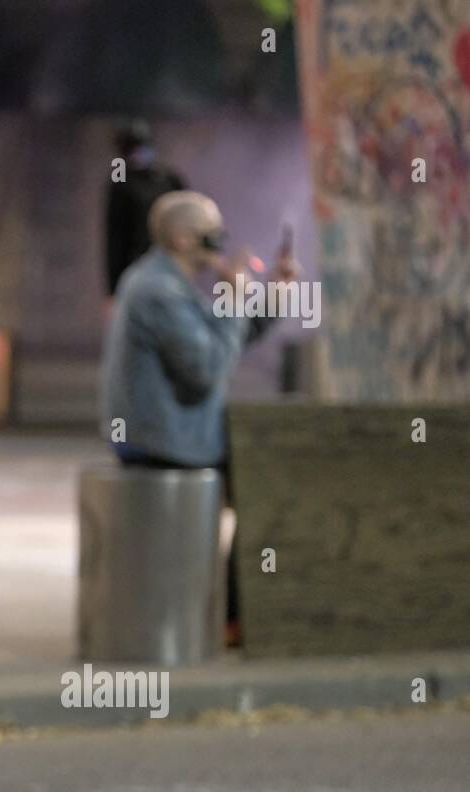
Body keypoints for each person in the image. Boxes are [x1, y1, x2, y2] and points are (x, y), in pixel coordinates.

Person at [99, 190, 294, 642]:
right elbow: (208, 368)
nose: (222, 240)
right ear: (185, 237)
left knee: (262, 484)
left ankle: (231, 616)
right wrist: (232, 294)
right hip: (166, 440)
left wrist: (271, 296)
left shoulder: (166, 282)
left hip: (176, 433)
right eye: (213, 231)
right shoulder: (158, 290)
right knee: (265, 490)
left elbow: (224, 335)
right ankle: (233, 617)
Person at [105, 119, 186, 297]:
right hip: (139, 266)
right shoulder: (122, 183)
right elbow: (115, 239)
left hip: (173, 264)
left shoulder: (169, 179)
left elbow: (189, 215)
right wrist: (112, 290)